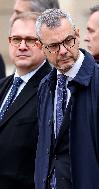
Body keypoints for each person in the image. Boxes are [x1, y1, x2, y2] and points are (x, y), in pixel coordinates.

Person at [34, 9, 99, 189]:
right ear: (41, 47)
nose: (64, 51)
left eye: (68, 41)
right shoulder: (45, 86)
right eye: (54, 46)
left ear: (77, 34)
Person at [0, 12, 51, 189]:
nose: (22, 46)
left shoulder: (53, 90)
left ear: (45, 44)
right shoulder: (3, 86)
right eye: (16, 39)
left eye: (30, 40)